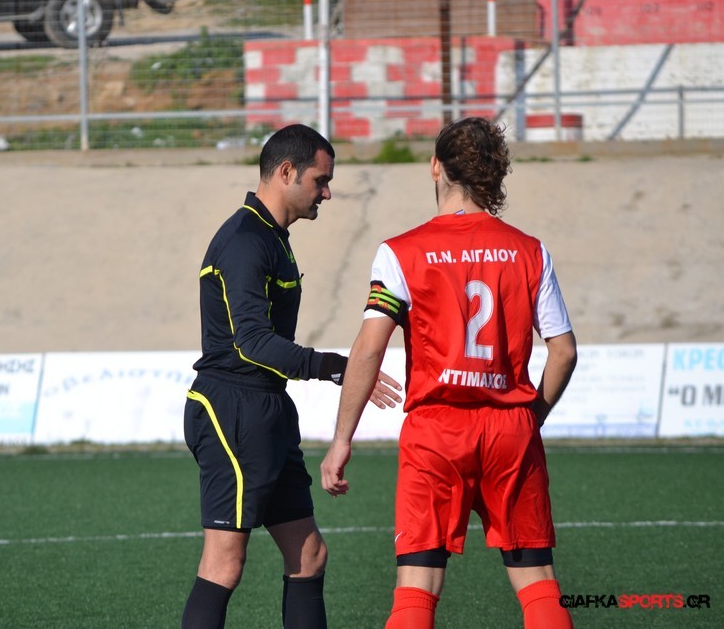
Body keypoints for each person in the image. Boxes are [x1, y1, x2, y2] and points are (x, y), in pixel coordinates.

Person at [320, 117, 578, 629]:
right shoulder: (530, 250)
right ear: (492, 174)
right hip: (510, 430)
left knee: (416, 588)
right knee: (538, 585)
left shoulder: (400, 251)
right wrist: (531, 418)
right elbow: (564, 352)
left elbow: (370, 349)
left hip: (436, 431)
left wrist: (341, 439)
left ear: (435, 166)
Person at [181, 124, 403, 629]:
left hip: (267, 407)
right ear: (286, 172)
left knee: (309, 556)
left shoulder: (271, 237)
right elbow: (252, 343)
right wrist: (337, 367)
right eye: (320, 180)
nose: (327, 193)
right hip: (232, 410)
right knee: (225, 562)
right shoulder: (244, 240)